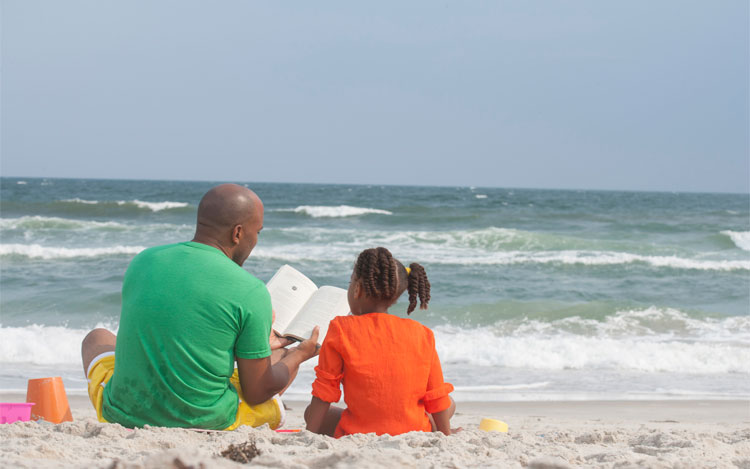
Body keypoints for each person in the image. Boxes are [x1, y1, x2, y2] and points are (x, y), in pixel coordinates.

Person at [80, 184, 319, 430]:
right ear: (237, 233)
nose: (256, 240)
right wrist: (300, 355)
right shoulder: (251, 290)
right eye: (257, 232)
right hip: (207, 419)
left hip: (123, 412)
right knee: (283, 358)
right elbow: (258, 391)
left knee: (96, 338)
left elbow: (172, 329)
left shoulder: (143, 261)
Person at [304, 247, 457, 437]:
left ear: (357, 288)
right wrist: (446, 435)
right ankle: (431, 426)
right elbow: (436, 394)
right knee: (449, 402)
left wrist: (309, 435)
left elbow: (324, 391)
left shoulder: (340, 329)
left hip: (358, 432)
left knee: (309, 412)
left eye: (350, 282)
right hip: (414, 430)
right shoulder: (422, 333)